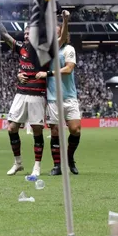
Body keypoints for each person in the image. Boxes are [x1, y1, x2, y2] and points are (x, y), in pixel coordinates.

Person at [0, 5, 69, 177]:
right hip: (20, 94)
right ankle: (17, 163)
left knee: (37, 130)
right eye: (25, 33)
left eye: (29, 33)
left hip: (37, 96)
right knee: (11, 128)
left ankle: (37, 166)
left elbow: (61, 40)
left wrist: (64, 21)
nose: (26, 36)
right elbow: (4, 34)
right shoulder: (21, 48)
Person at [41, 25, 81, 176]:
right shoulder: (48, 51)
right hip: (53, 98)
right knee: (55, 131)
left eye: (59, 32)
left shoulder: (68, 49)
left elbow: (69, 68)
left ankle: (69, 158)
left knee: (75, 130)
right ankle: (57, 165)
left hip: (69, 96)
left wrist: (49, 73)